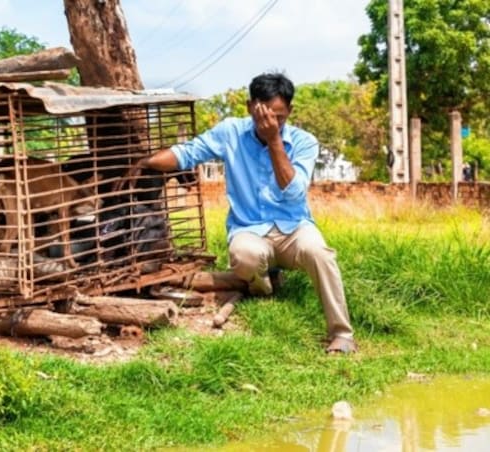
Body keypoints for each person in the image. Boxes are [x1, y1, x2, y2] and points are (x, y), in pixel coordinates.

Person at [126, 72, 356, 354]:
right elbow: (187, 153)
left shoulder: (304, 142)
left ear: (290, 112)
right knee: (245, 256)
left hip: (294, 228)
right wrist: (144, 162)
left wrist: (274, 140)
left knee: (320, 253)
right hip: (249, 228)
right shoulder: (230, 132)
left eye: (280, 118)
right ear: (250, 108)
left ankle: (342, 334)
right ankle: (263, 288)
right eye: (264, 117)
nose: (271, 123)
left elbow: (294, 191)